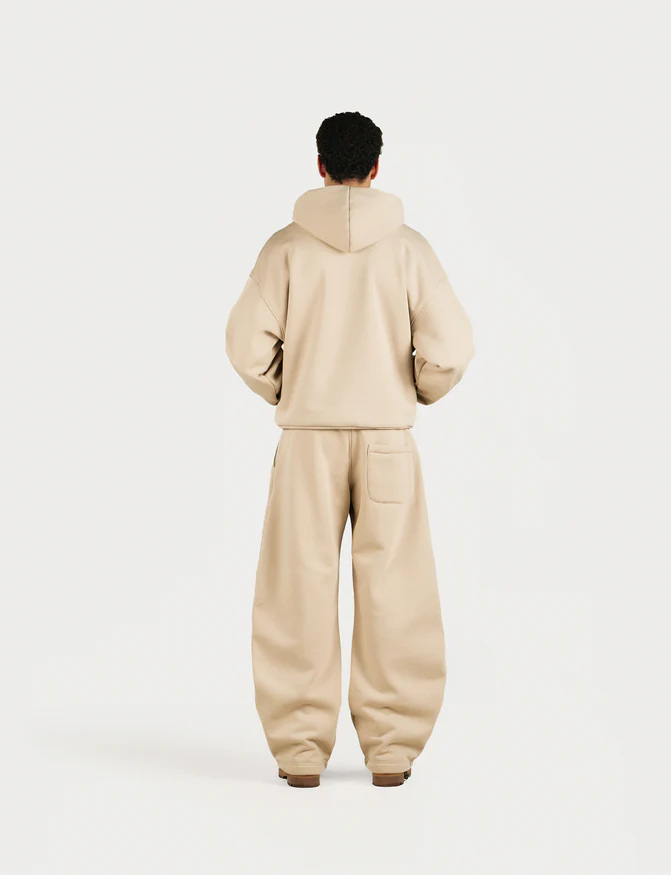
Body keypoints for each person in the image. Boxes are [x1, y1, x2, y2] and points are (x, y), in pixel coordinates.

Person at [226, 111, 474, 788]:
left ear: (319, 165)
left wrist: (288, 387)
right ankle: (391, 749)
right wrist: (416, 387)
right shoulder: (409, 250)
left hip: (307, 440)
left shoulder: (284, 249)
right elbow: (452, 347)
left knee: (295, 588)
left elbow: (245, 345)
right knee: (397, 587)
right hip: (387, 439)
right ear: (376, 167)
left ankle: (299, 751)